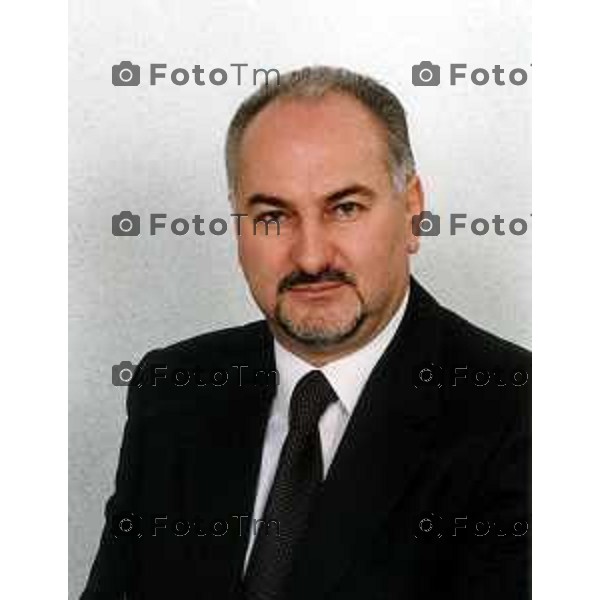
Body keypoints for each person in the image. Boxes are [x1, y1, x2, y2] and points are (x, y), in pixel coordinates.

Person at [81, 66, 531, 599]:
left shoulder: (517, 412)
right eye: (273, 216)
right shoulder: (174, 390)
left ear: (412, 211)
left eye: (345, 208)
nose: (312, 257)